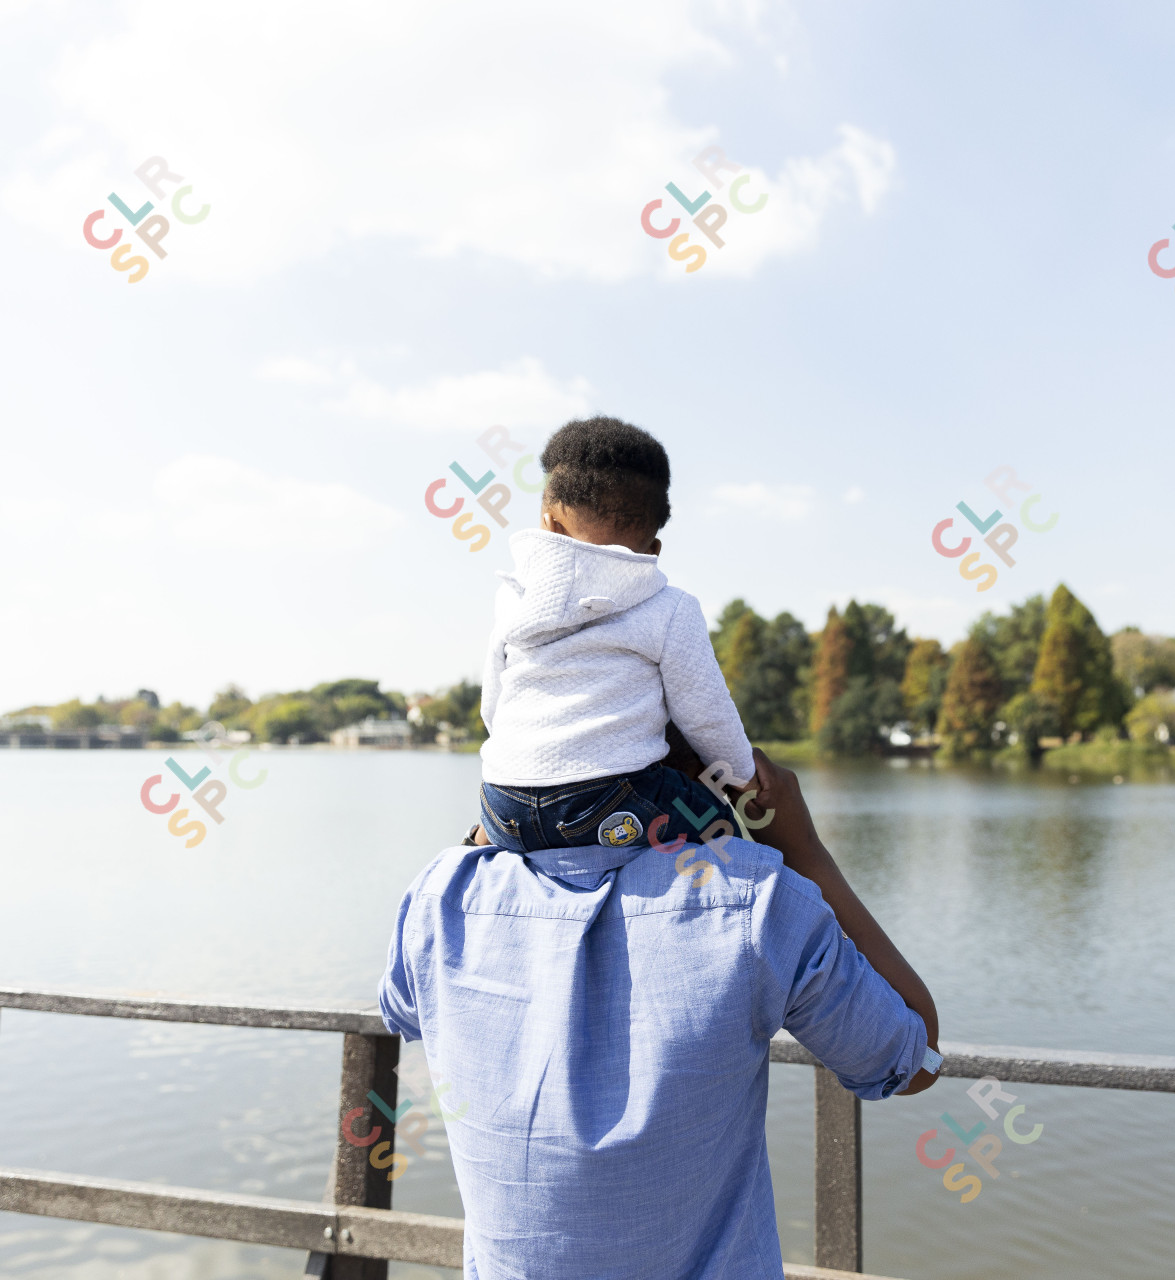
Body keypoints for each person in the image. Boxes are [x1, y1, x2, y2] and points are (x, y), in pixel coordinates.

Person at [377, 749, 940, 1279]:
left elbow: (404, 1009)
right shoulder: (752, 899)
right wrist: (801, 846)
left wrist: (498, 823)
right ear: (702, 767)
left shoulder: (442, 898)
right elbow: (915, 1060)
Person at [471, 415, 774, 853]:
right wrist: (743, 778)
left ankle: (482, 843)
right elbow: (704, 715)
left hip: (503, 803)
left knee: (509, 818)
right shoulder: (670, 607)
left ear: (549, 525)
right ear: (653, 550)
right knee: (715, 823)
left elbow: (493, 703)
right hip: (611, 804)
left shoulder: (513, 595)